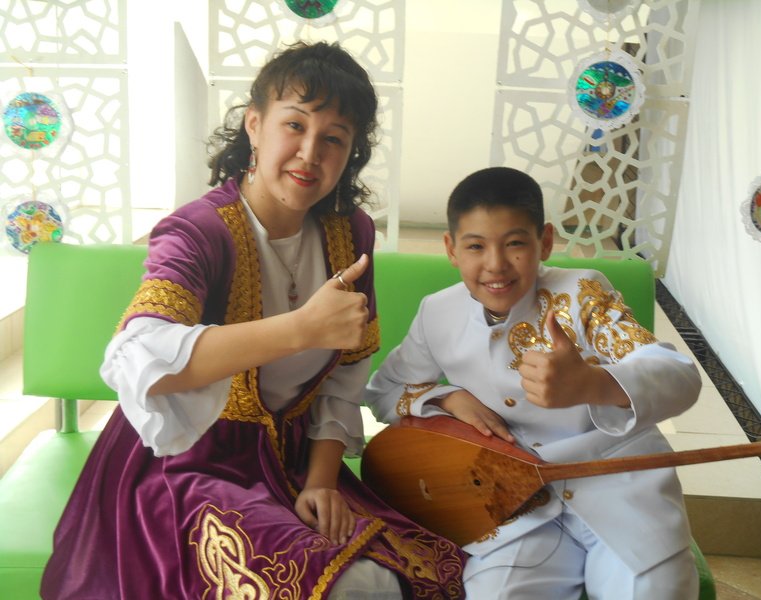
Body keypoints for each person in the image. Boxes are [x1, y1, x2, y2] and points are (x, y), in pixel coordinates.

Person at [41, 41, 465, 600]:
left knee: (424, 575)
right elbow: (136, 359)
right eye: (295, 125)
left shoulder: (349, 232)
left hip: (295, 464)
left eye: (334, 138)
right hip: (184, 467)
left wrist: (321, 483)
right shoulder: (198, 233)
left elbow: (346, 373)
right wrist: (300, 329)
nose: (309, 153)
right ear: (255, 125)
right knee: (348, 587)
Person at [365, 166, 702, 599]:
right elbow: (384, 390)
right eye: (475, 246)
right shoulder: (438, 313)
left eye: (515, 244)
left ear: (544, 241)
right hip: (511, 512)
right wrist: (448, 398)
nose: (495, 265)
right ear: (451, 249)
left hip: (619, 491)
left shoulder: (581, 293)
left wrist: (592, 383)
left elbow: (679, 375)